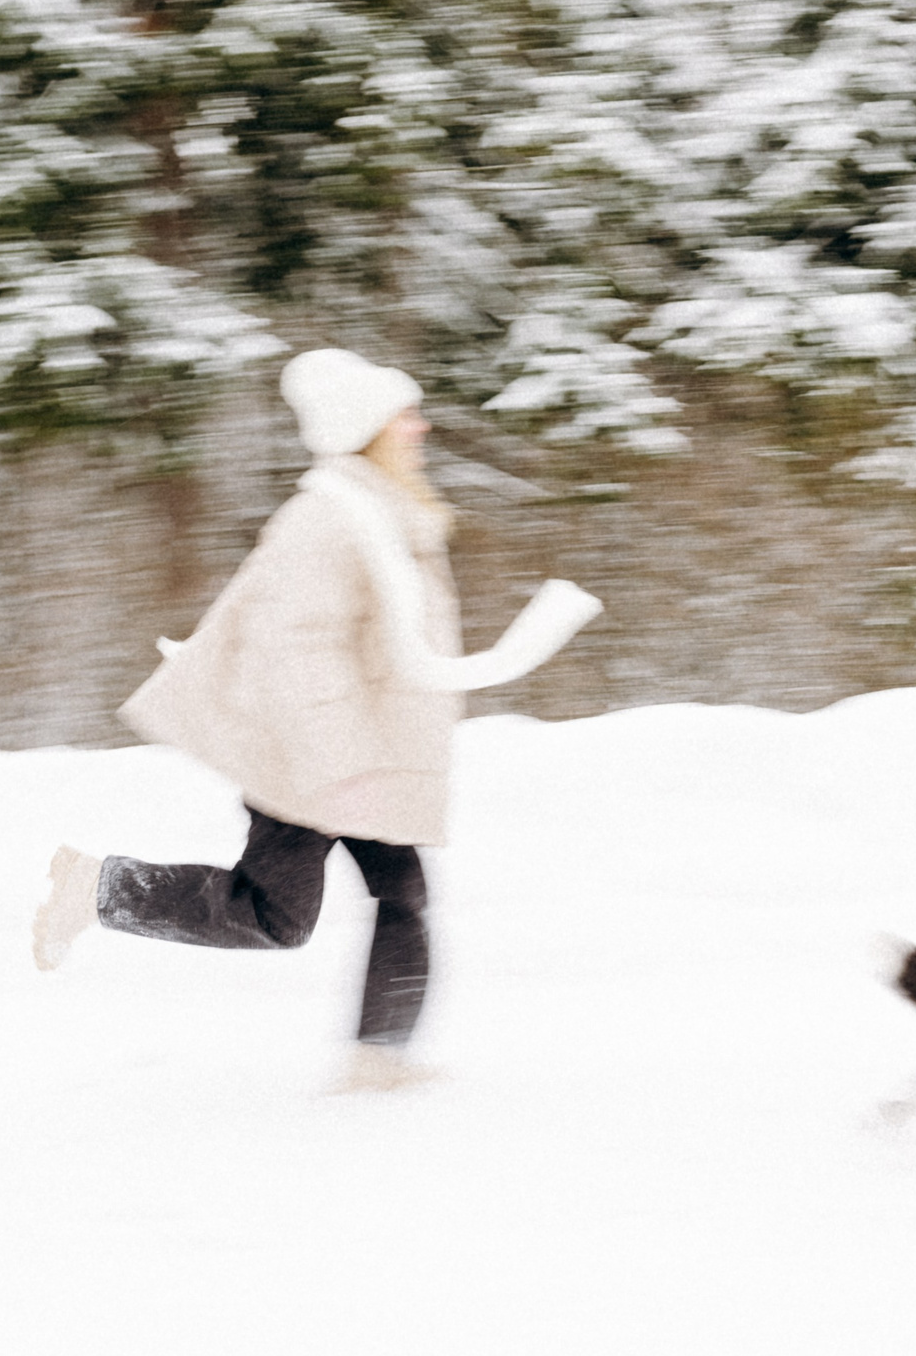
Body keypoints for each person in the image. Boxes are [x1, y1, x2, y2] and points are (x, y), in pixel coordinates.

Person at [30, 348, 601, 1090]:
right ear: (367, 430)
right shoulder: (328, 518)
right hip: (315, 755)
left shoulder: (381, 510)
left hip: (357, 751)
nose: (421, 427)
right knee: (274, 914)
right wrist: (338, 763)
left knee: (403, 893)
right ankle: (97, 888)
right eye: (405, 416)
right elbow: (297, 646)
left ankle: (380, 1055)